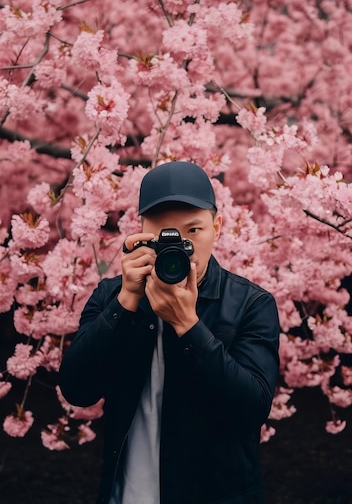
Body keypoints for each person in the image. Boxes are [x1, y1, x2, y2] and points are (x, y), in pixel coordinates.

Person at [59, 161, 280, 504]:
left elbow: (251, 410)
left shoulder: (252, 304)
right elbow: (76, 389)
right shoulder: (111, 296)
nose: (180, 248)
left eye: (193, 231)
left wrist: (189, 327)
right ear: (142, 232)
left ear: (217, 227)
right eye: (165, 234)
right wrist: (125, 303)